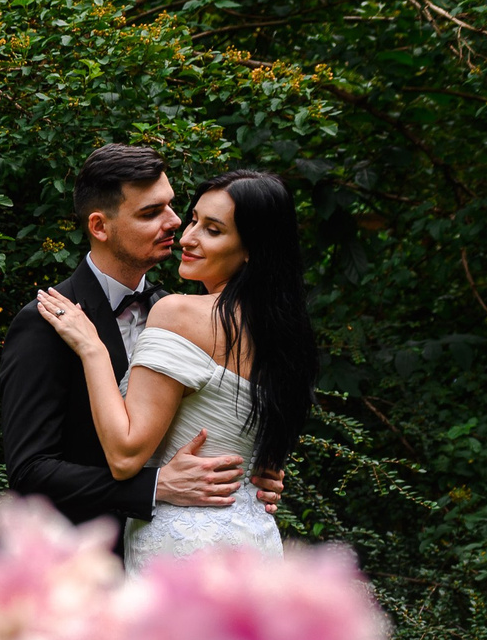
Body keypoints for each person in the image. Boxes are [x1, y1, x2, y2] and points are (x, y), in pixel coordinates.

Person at [30, 166, 318, 571]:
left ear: (252, 248)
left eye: (213, 230)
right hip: (254, 543)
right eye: (194, 220)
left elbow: (125, 456)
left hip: (183, 547)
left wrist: (92, 349)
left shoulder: (178, 313)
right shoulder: (285, 335)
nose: (187, 237)